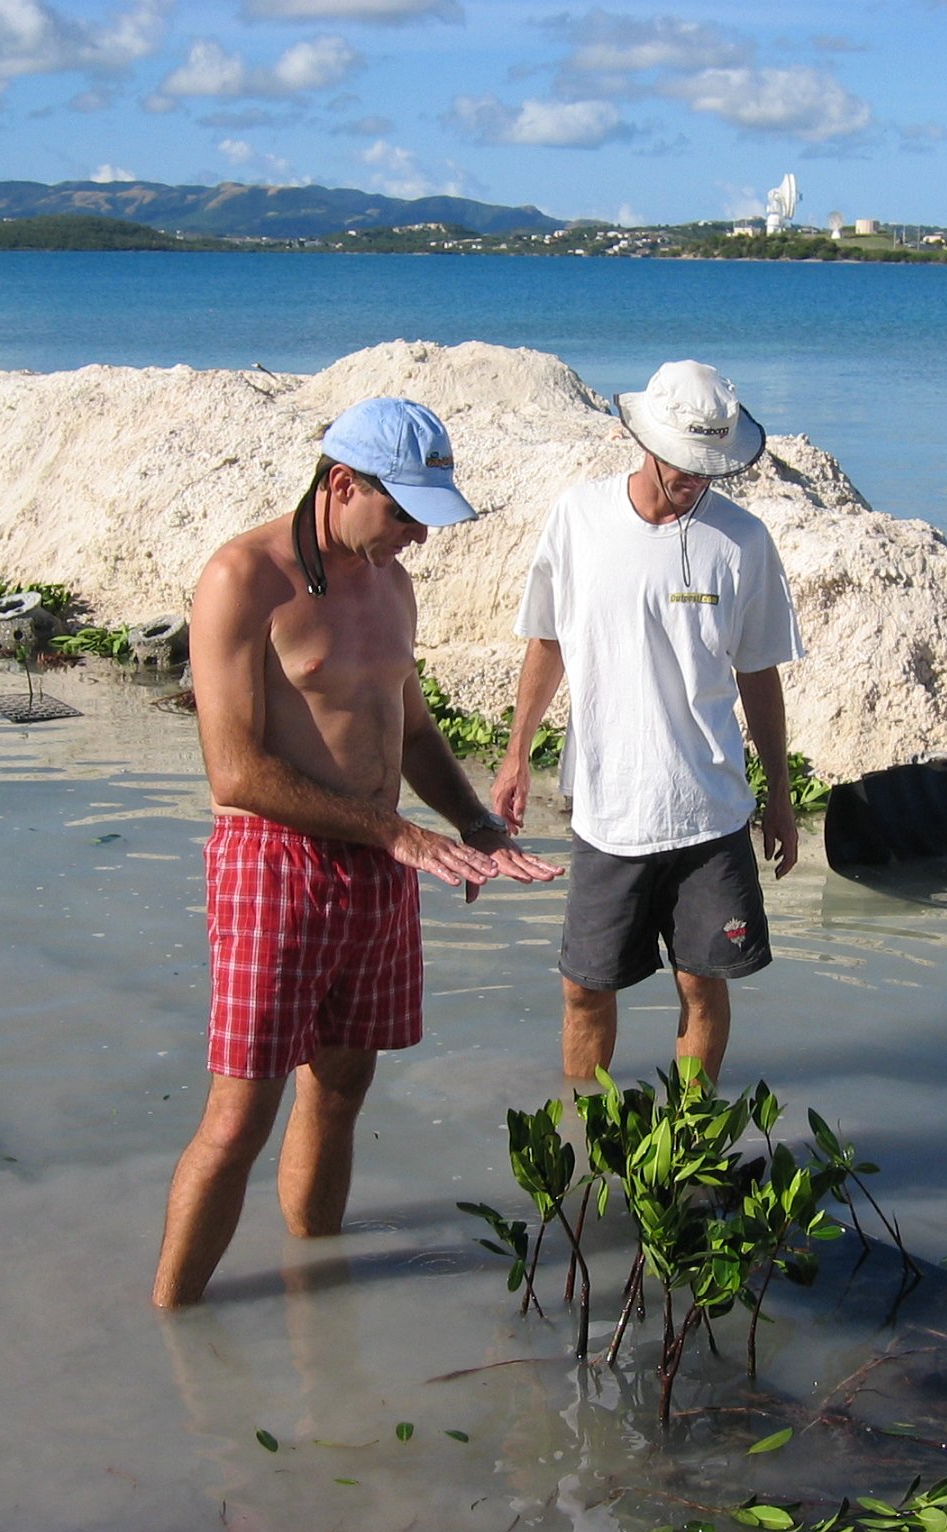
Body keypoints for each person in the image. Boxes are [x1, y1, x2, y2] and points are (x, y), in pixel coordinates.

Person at [153, 397, 562, 1309]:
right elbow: (236, 772)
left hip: (383, 864)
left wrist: (477, 828)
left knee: (340, 1089)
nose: (418, 536)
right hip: (276, 858)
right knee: (238, 1118)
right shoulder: (241, 579)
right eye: (405, 513)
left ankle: (316, 1295)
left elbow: (411, 732)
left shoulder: (392, 584)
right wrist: (398, 834)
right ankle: (172, 1322)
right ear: (342, 483)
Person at [490, 360, 804, 1087]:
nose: (696, 480)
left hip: (711, 813)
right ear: (646, 441)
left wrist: (780, 796)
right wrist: (515, 755)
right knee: (584, 988)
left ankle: (687, 1149)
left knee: (702, 985)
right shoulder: (579, 517)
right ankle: (585, 1158)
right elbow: (548, 640)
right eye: (685, 465)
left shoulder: (745, 542)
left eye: (710, 468)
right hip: (608, 811)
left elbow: (760, 673)